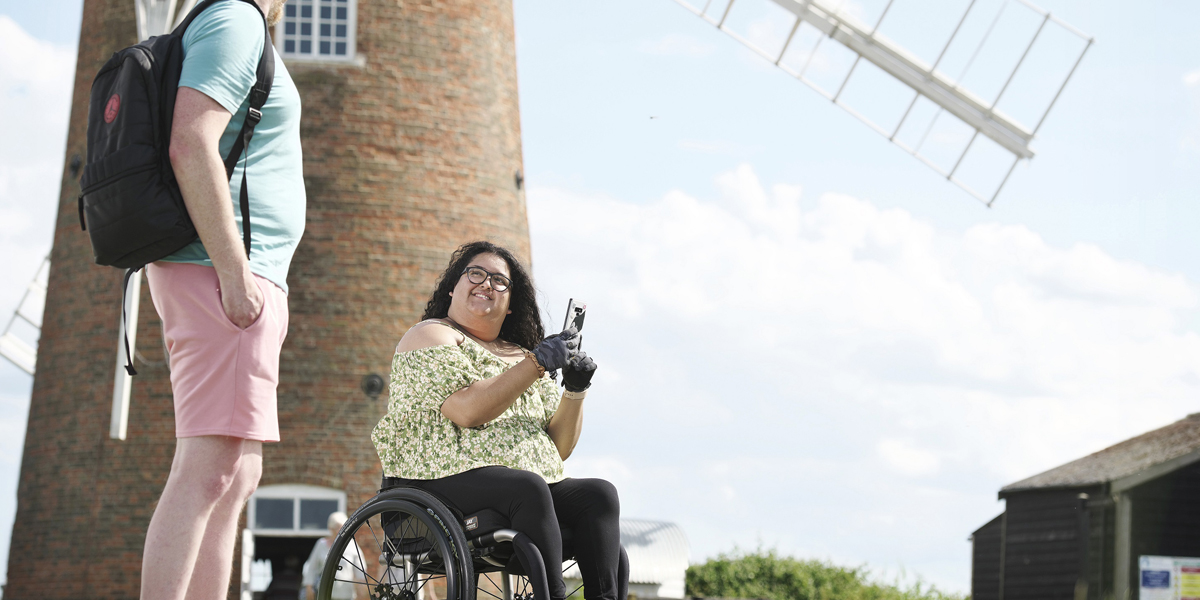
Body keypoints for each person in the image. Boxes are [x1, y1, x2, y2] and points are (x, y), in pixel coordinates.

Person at [138, 0, 305, 598]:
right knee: (208, 471)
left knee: (234, 476)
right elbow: (191, 139)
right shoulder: (236, 19)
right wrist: (235, 275)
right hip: (224, 273)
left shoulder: (230, 22)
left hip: (235, 273)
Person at [371, 241, 627, 600]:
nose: (487, 284)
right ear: (452, 287)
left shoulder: (521, 355)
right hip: (438, 478)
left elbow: (560, 448)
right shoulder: (431, 335)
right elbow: (467, 411)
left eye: (500, 281)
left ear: (509, 306)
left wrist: (575, 388)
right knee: (528, 487)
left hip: (519, 484)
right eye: (476, 274)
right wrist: (536, 364)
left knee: (599, 495)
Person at [302, 512, 364, 600]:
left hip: (347, 596)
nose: (340, 530)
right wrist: (309, 588)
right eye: (337, 527)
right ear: (330, 528)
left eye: (343, 527)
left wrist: (361, 590)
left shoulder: (352, 545)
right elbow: (311, 568)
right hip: (325, 595)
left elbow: (361, 572)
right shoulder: (321, 544)